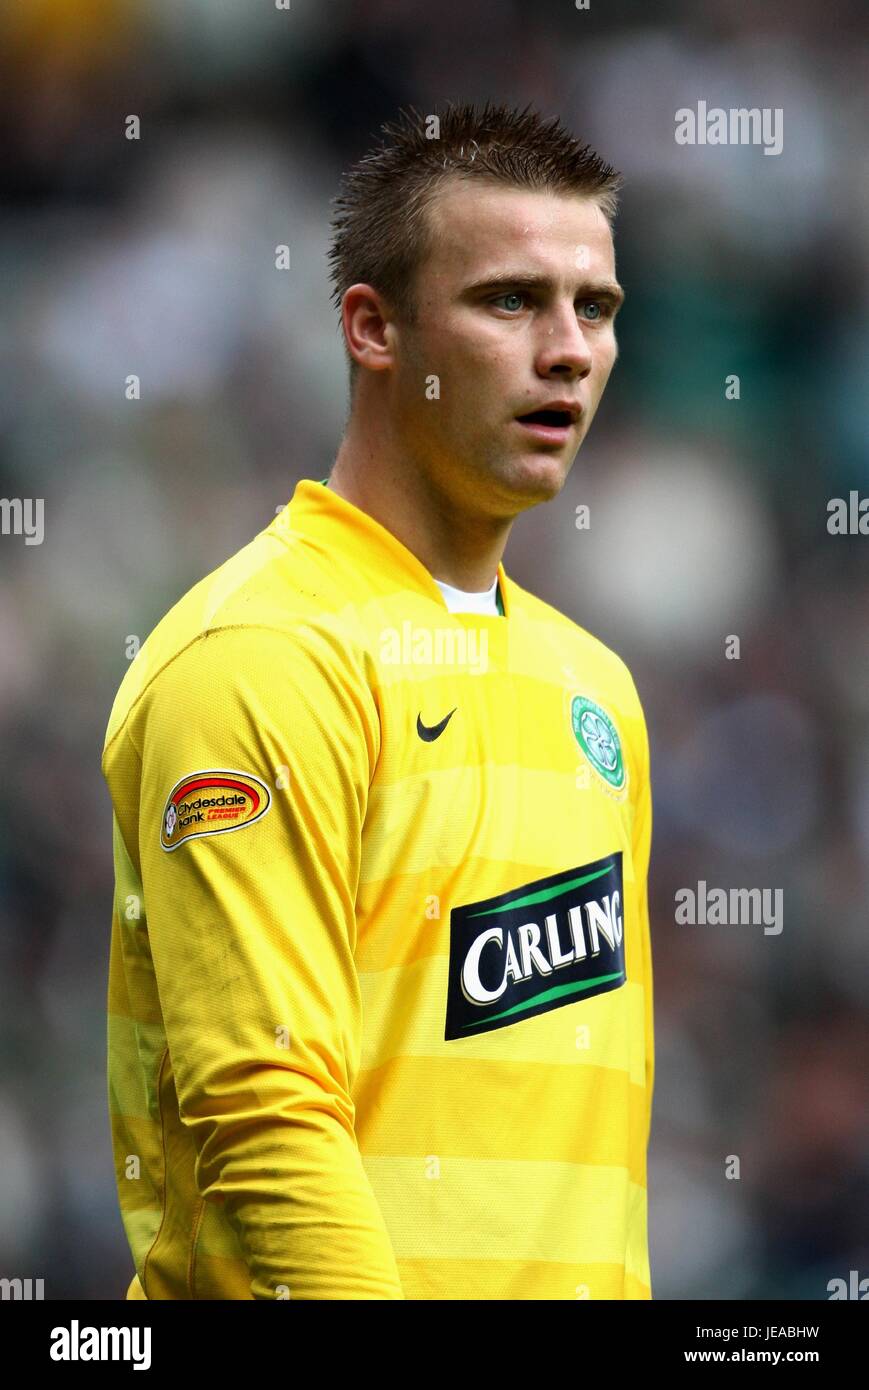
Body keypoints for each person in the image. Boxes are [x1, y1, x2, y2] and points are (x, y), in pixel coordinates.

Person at [102, 100, 654, 1301]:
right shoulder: (257, 656)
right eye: (509, 300)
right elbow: (267, 1113)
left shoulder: (593, 691)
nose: (567, 348)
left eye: (594, 307)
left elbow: (584, 1169)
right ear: (372, 328)